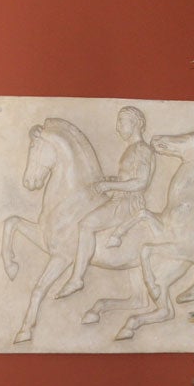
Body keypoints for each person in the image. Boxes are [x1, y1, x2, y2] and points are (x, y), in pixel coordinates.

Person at [57, 106, 155, 299]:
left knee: (86, 224)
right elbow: (129, 178)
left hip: (127, 203)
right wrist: (110, 181)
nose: (118, 126)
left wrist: (109, 185)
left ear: (136, 123)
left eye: (121, 121)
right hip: (119, 198)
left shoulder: (142, 149)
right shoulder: (132, 149)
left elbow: (141, 182)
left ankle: (77, 278)